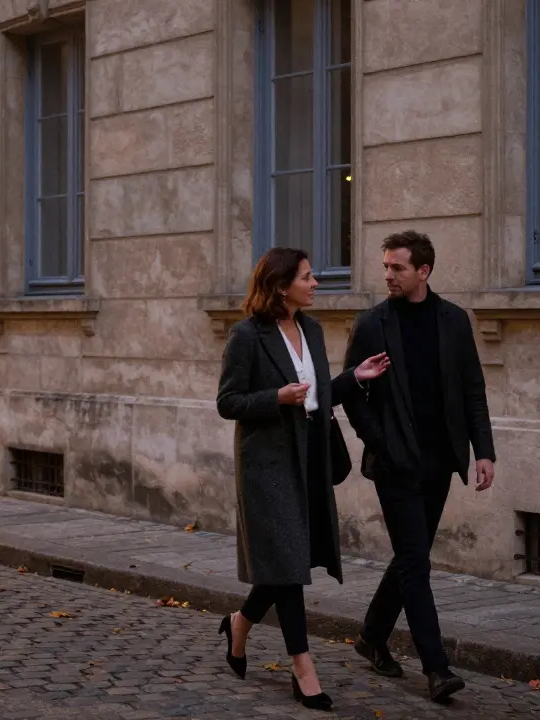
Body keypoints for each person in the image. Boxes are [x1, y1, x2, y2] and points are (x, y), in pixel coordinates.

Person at [215, 247, 391, 712]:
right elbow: (228, 402)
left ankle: (239, 624)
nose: (316, 284)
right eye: (308, 278)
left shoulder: (311, 329)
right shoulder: (246, 336)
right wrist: (276, 398)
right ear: (280, 286)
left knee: (286, 559)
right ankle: (303, 668)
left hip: (309, 455)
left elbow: (318, 393)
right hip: (267, 465)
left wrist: (355, 376)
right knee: (290, 564)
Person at [341, 230, 496, 703]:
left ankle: (371, 635)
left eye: (398, 268)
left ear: (423, 271)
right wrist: (379, 441)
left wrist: (483, 451)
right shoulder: (372, 324)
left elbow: (472, 388)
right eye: (386, 266)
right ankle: (437, 667)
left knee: (411, 558)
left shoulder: (453, 321)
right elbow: (350, 391)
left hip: (440, 460)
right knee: (416, 562)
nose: (388, 275)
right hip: (395, 463)